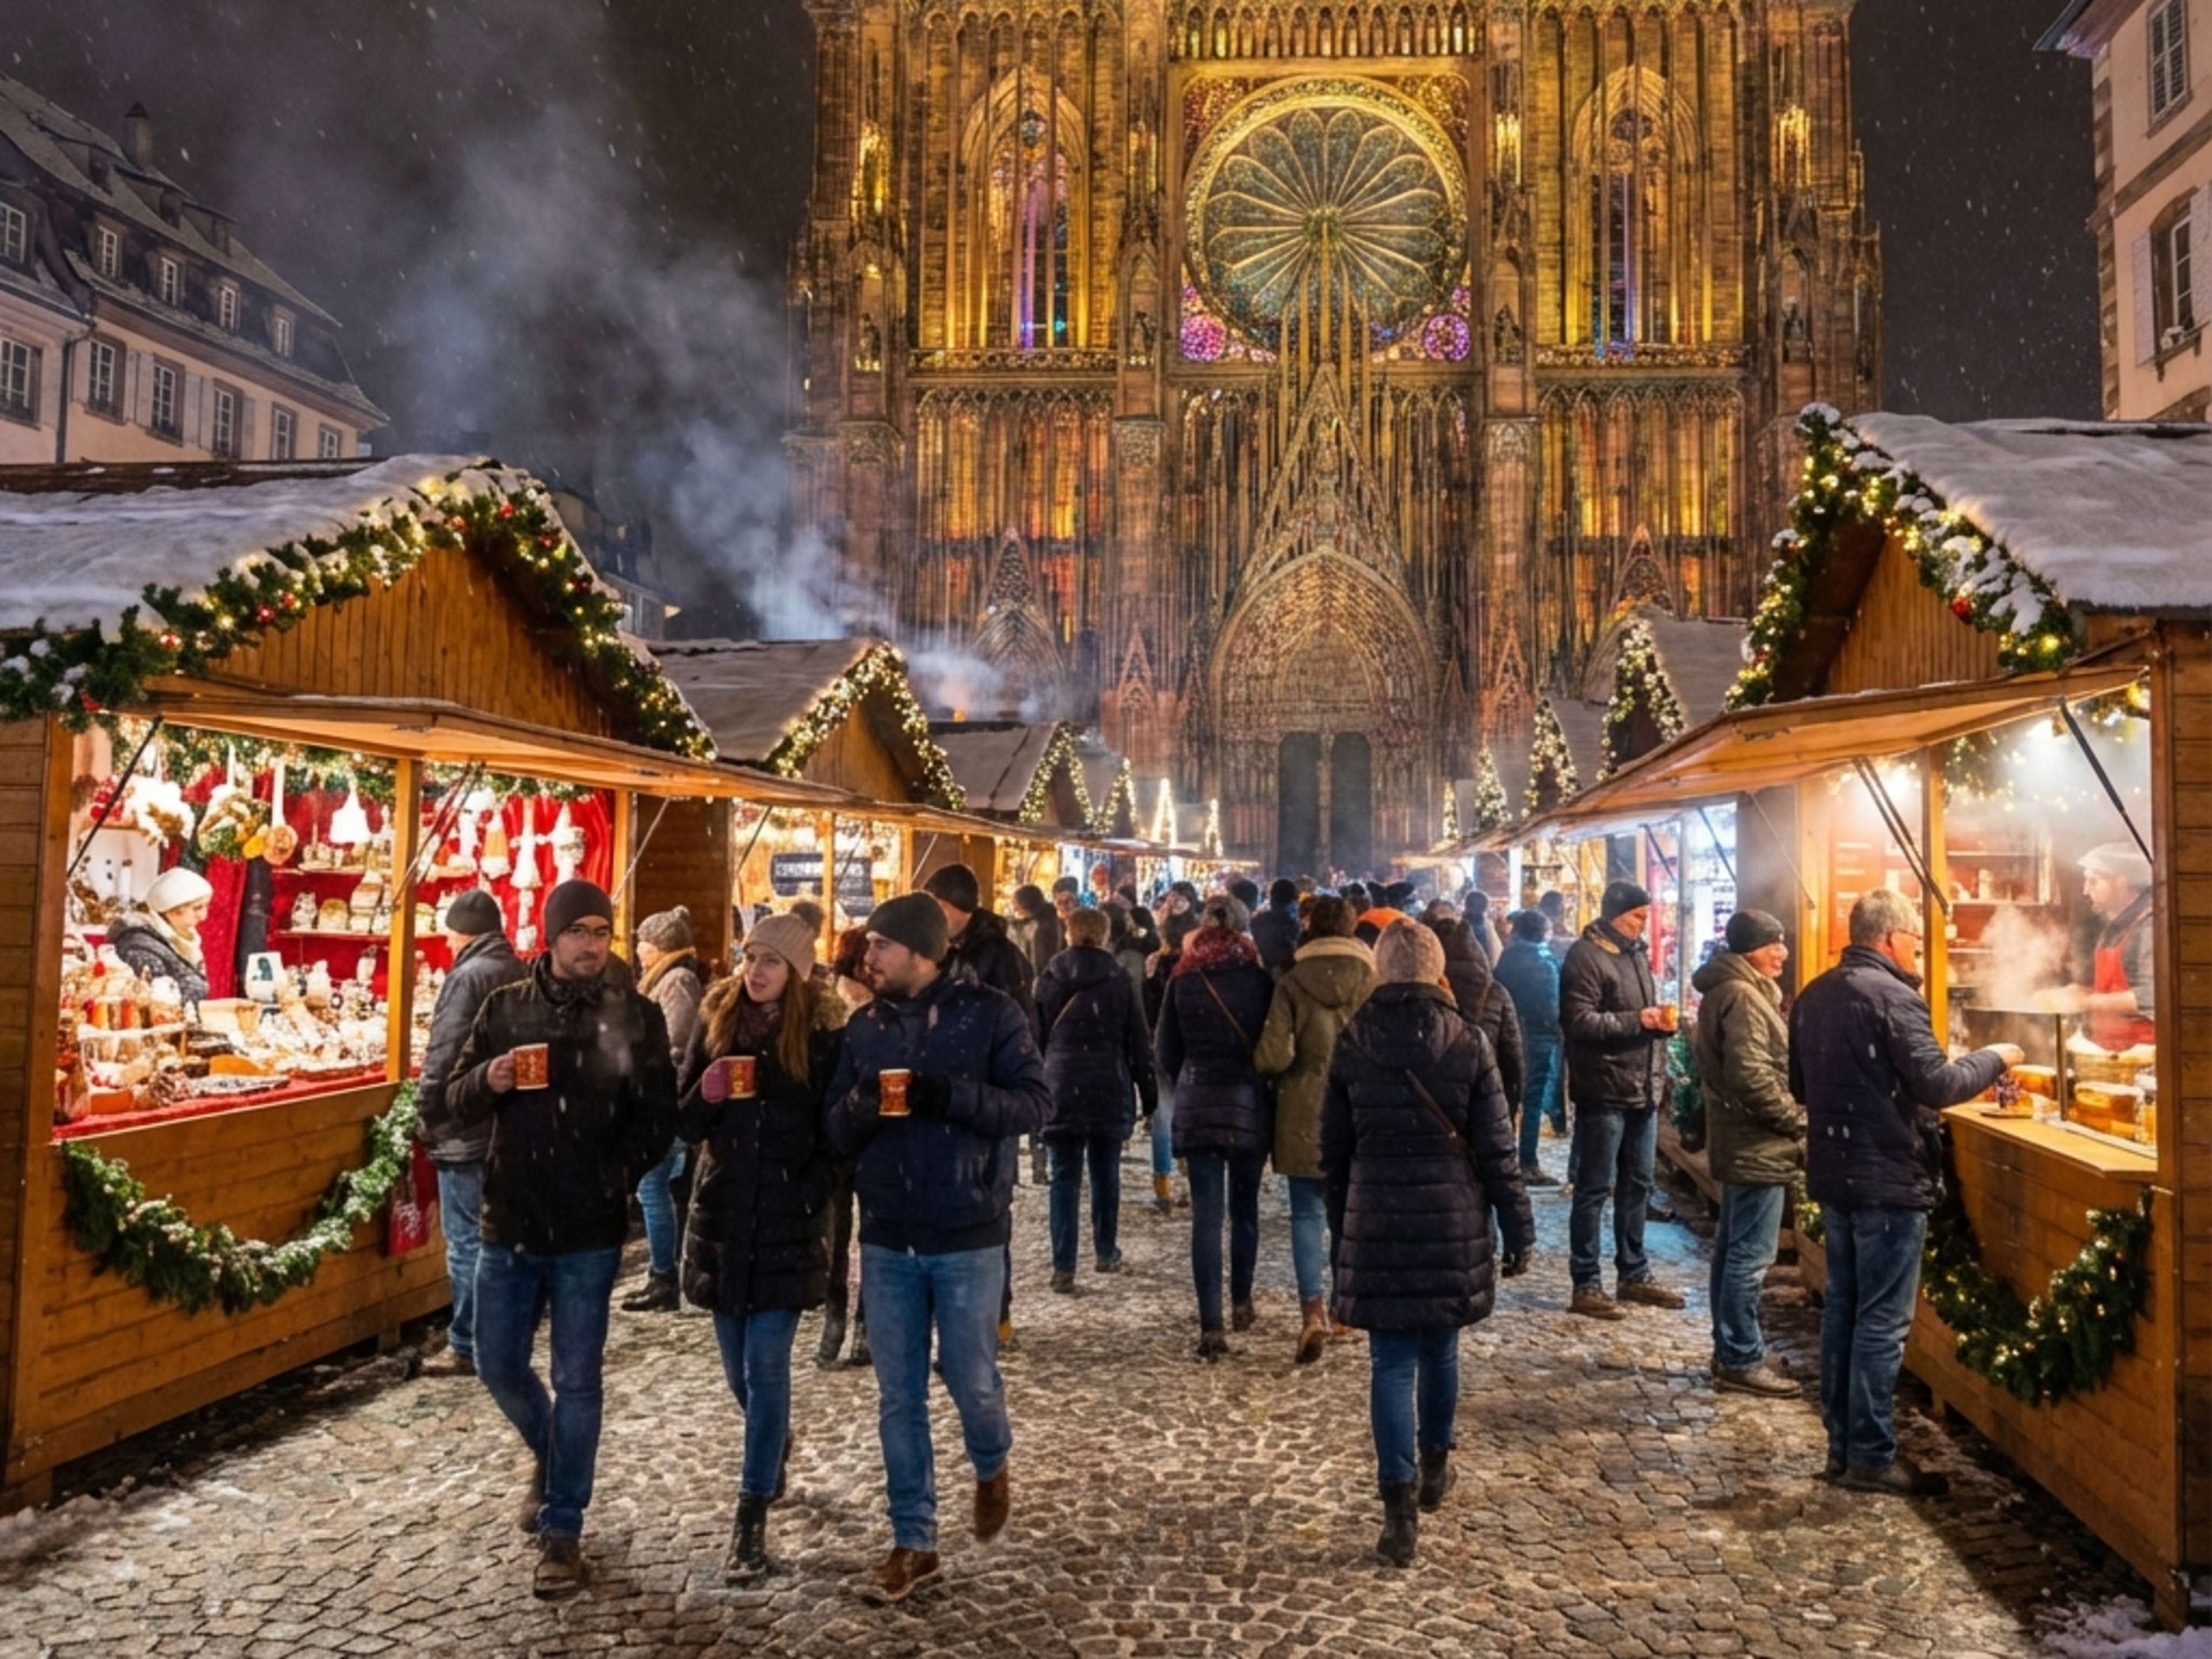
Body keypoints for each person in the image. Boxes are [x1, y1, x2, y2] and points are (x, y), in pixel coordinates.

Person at [445, 879, 678, 1599]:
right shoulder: (504, 1008)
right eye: (576, 931)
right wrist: (490, 1076)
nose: (590, 944)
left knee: (579, 1379)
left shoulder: (635, 1016)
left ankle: (563, 1526)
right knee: (495, 1361)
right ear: (550, 936)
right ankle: (553, 1455)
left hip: (588, 1231)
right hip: (510, 1219)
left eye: (601, 932)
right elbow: (450, 1097)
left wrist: (614, 1174)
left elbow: (658, 1116)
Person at [825, 892, 1051, 1603]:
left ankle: (991, 1461)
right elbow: (834, 1131)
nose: (869, 959)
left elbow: (1034, 1106)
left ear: (923, 953)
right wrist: (861, 1105)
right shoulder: (863, 1028)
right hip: (889, 1231)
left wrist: (947, 1096)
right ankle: (913, 1541)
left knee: (971, 1379)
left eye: (881, 947)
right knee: (899, 1397)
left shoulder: (992, 1017)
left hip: (967, 1229)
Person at [1792, 888, 2020, 1497]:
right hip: (1887, 1179)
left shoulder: (1815, 995)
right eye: (1916, 939)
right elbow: (1940, 1084)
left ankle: (1843, 1448)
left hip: (1836, 1174)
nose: (1920, 950)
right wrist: (1997, 1057)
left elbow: (1800, 1083)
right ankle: (1869, 1454)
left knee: (1844, 1311)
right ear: (1891, 938)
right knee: (1880, 1322)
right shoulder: (1895, 997)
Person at [1323, 919, 1534, 1567]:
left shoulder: (1354, 1041)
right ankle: (1436, 1464)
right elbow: (1498, 1148)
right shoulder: (1468, 1040)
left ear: (1380, 970)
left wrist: (1342, 1228)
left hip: (1378, 1216)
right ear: (1438, 969)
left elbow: (1334, 1151)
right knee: (1440, 1349)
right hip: (1450, 1217)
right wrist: (1518, 1226)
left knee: (1390, 1364)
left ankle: (1398, 1511)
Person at [676, 912, 848, 1580]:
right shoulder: (716, 1022)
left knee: (767, 1369)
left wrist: (811, 1193)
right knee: (739, 1377)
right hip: (723, 1218)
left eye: (772, 962)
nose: (756, 971)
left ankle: (749, 1522)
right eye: (751, 957)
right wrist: (707, 1092)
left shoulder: (825, 1037)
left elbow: (835, 1135)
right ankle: (771, 1439)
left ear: (798, 973)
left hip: (787, 1219)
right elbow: (685, 1119)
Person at [1253, 894, 1374, 1363]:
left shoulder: (1291, 979)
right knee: (1348, 1213)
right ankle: (1347, 1307)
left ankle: (1312, 1313)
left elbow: (1274, 1056)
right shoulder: (1372, 976)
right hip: (1358, 1109)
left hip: (1304, 1110)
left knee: (1306, 1214)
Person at [413, 888, 528, 1378]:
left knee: (465, 1241)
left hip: (466, 1124)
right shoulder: (518, 969)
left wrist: (429, 1110)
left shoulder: (467, 977)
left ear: (459, 934)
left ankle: (467, 1344)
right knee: (497, 1240)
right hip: (504, 1124)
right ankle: (500, 1337)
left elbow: (446, 1050)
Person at [924, 862, 1039, 1346]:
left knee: (990, 1210)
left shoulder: (993, 959)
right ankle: (964, 1319)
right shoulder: (955, 951)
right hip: (951, 1100)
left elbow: (1015, 1035)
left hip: (988, 1104)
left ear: (952, 909)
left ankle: (996, 1315)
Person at [1155, 895, 1274, 1359]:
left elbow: (1166, 1051)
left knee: (1206, 1216)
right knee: (1244, 1208)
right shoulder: (1259, 980)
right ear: (1245, 932)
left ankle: (1212, 1326)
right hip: (1249, 1102)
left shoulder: (1182, 982)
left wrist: (1190, 1078)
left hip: (1201, 1101)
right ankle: (1242, 1300)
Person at [1559, 881, 1684, 1320]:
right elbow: (1578, 1022)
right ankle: (1586, 1281)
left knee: (1638, 1185)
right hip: (1604, 1091)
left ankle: (1633, 1272)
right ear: (1615, 915)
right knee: (1594, 1188)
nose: (1642, 923)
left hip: (1641, 1090)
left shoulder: (1633, 954)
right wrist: (1640, 1020)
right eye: (1636, 916)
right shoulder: (1586, 956)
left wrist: (1658, 1026)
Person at [1691, 910, 1803, 1398]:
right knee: (1750, 1257)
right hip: (1755, 1143)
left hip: (1742, 1141)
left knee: (1734, 1250)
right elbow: (1750, 1074)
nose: (1782, 952)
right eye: (1772, 944)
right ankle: (1739, 1355)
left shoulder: (1736, 990)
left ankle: (1730, 1349)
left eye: (1783, 942)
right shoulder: (1741, 995)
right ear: (1748, 950)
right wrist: (1795, 1118)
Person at [1035, 906, 1156, 1288]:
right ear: (1103, 935)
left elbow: (1034, 1040)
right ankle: (1105, 1250)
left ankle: (1064, 1263)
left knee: (1064, 1178)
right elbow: (1138, 1041)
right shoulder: (1118, 980)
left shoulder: (1050, 978)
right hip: (1107, 1083)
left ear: (1068, 934)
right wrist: (1148, 1095)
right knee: (1106, 1173)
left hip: (1060, 1085)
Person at [622, 905, 708, 1315]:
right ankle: (666, 1272)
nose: (638, 950)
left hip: (666, 1097)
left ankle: (664, 1275)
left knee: (651, 1187)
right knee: (659, 1187)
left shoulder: (676, 981)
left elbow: (676, 1039)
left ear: (660, 947)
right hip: (660, 1094)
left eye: (644, 942)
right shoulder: (672, 978)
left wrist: (638, 1050)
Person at [819, 923, 876, 1368]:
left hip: (838, 1129)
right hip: (866, 1131)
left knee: (837, 1237)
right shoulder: (875, 1008)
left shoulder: (827, 1000)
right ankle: (860, 1328)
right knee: (866, 1235)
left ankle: (836, 1323)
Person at [2046, 842, 2156, 1049]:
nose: (2086, 891)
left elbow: (2152, 996)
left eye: (2093, 881)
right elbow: (2115, 989)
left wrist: (2086, 1002)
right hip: (2112, 1051)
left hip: (2144, 1055)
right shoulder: (2116, 925)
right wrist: (2081, 991)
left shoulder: (2148, 926)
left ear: (2120, 881)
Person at [1430, 916, 1524, 1134]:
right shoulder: (1495, 993)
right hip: (1485, 1101)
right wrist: (1508, 1111)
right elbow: (1513, 1059)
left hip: (1434, 1108)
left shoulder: (1423, 993)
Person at [1494, 908, 1565, 1183]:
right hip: (1539, 1038)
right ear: (1543, 933)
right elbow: (1550, 1010)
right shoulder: (1546, 963)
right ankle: (1528, 1163)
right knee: (1533, 1100)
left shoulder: (1507, 960)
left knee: (1507, 1097)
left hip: (1508, 1034)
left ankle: (1504, 1156)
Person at [108, 865, 215, 1005]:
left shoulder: (178, 940)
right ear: (171, 909)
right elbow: (158, 1003)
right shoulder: (140, 948)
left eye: (206, 907)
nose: (203, 916)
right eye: (197, 908)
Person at [1009, 884, 1063, 982]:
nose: (1015, 910)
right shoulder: (1023, 924)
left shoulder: (1046, 926)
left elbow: (1042, 960)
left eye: (1017, 907)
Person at [1251, 877, 1303, 976]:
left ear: (1272, 897)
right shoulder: (1297, 924)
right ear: (1295, 898)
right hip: (1289, 975)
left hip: (1262, 975)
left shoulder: (1258, 921)